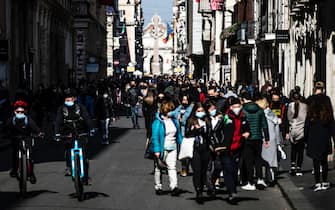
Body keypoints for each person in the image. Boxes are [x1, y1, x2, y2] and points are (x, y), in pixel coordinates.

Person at [54, 89, 95, 184]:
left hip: (81, 132)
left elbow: (87, 118)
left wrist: (91, 128)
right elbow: (58, 122)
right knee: (68, 150)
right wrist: (57, 133)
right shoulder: (61, 109)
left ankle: (85, 176)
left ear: (74, 98)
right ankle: (69, 167)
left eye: (70, 98)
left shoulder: (80, 107)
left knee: (84, 155)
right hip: (67, 133)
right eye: (67, 99)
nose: (69, 100)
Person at [305, 81, 335, 191]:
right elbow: (331, 120)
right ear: (323, 89)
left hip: (313, 132)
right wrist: (333, 136)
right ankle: (325, 181)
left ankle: (318, 182)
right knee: (324, 160)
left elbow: (307, 119)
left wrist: (305, 136)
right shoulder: (327, 100)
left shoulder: (310, 100)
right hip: (325, 132)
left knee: (315, 160)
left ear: (314, 88)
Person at [6, 100, 43, 184]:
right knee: (15, 154)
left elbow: (34, 126)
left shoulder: (28, 119)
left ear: (25, 111)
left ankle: (31, 174)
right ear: (14, 111)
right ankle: (15, 170)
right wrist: (6, 134)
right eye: (17, 111)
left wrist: (39, 132)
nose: (20, 113)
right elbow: (6, 128)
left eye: (22, 111)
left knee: (30, 156)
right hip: (15, 139)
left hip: (27, 138)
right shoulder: (11, 120)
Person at [151, 100, 183, 196]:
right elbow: (155, 137)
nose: (171, 111)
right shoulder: (158, 122)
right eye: (169, 110)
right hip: (162, 148)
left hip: (173, 148)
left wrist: (183, 145)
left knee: (172, 167)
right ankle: (158, 186)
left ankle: (174, 187)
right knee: (159, 168)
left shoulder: (174, 120)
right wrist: (156, 150)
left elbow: (178, 135)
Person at [240, 91, 270, 190]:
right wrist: (267, 138)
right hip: (258, 138)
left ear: (243, 99)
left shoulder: (243, 110)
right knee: (258, 159)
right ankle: (260, 178)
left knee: (248, 161)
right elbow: (264, 125)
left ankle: (250, 182)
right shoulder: (260, 110)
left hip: (247, 138)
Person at [256, 98, 282, 185]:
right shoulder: (272, 114)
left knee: (264, 159)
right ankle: (271, 176)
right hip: (272, 138)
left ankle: (266, 177)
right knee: (271, 160)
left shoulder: (260, 115)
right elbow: (277, 128)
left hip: (264, 138)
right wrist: (278, 142)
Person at [285, 92, 307, 176]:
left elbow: (288, 118)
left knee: (293, 149)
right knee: (300, 150)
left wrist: (287, 131)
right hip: (301, 130)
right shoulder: (305, 106)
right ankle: (299, 167)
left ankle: (293, 165)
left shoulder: (290, 105)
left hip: (293, 129)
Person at [178, 94, 194, 177]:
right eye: (183, 100)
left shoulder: (191, 108)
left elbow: (185, 120)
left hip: (188, 132)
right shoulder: (180, 107)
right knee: (183, 151)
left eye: (186, 100)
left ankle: (188, 168)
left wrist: (181, 119)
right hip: (181, 132)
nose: (184, 102)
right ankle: (184, 168)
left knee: (189, 151)